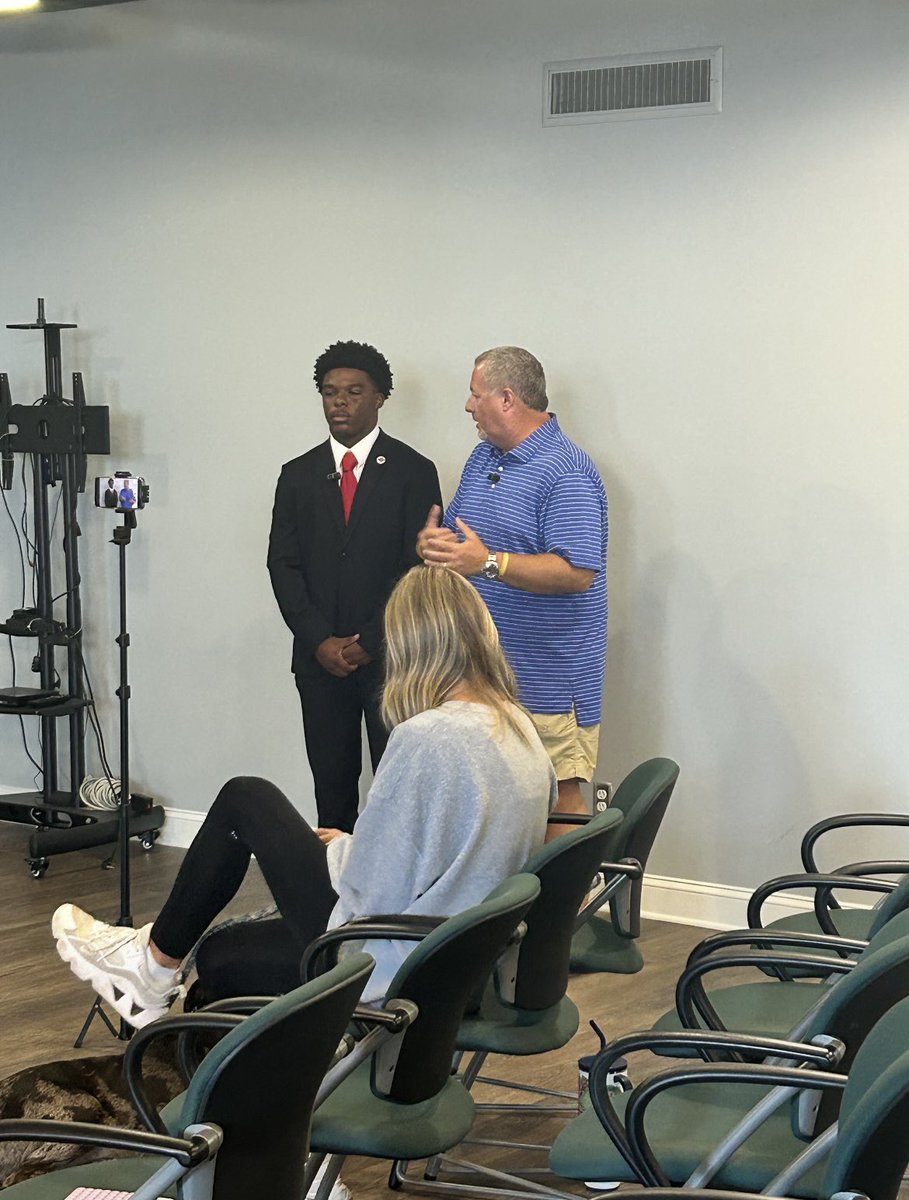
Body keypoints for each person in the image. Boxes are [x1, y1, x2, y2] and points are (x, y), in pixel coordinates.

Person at [52, 565, 556, 1030]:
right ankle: (154, 966)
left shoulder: (428, 738)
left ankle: (152, 966)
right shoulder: (521, 732)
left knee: (245, 799)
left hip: (390, 962)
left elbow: (371, 891)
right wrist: (357, 842)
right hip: (462, 968)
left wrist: (337, 851)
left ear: (412, 646)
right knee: (219, 958)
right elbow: (452, 853)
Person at [418, 346, 607, 833]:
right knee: (495, 789)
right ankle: (507, 904)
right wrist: (441, 546)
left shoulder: (567, 471)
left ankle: (565, 908)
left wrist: (488, 563)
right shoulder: (484, 458)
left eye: (474, 395)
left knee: (558, 790)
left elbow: (577, 572)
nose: (467, 406)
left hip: (548, 674)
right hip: (483, 669)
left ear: (506, 399)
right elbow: (466, 541)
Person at [268, 340, 442, 833]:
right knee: (332, 789)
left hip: (392, 659)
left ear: (380, 397)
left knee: (397, 787)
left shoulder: (413, 471)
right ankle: (334, 898)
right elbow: (282, 565)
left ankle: (394, 897)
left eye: (353, 391)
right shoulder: (297, 475)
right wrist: (319, 639)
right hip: (319, 661)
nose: (339, 401)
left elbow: (419, 569)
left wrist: (369, 642)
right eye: (329, 392)